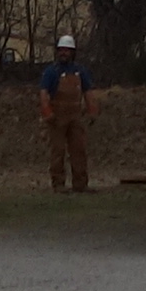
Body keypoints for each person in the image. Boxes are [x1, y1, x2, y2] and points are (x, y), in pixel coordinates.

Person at [40, 33, 98, 192]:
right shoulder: (51, 72)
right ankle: (58, 184)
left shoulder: (81, 71)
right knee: (57, 151)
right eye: (61, 50)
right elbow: (44, 93)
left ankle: (80, 184)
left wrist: (92, 110)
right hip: (57, 117)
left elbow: (88, 92)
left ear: (73, 52)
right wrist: (47, 112)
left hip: (76, 116)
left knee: (79, 151)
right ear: (57, 51)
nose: (63, 53)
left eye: (67, 50)